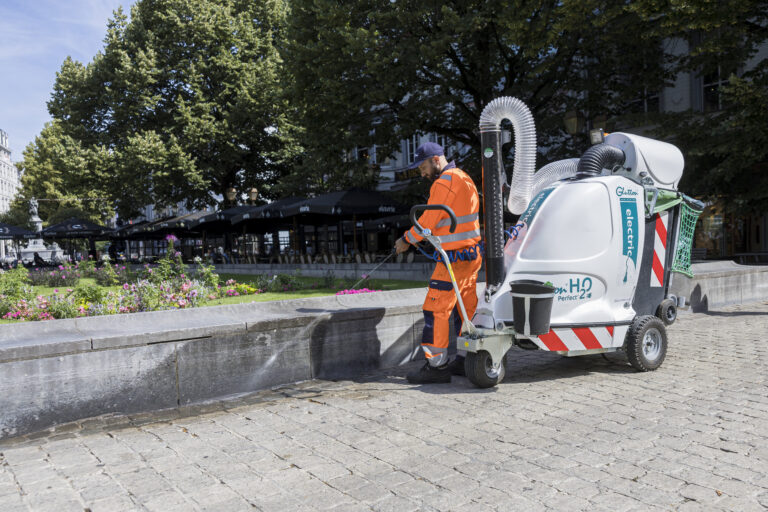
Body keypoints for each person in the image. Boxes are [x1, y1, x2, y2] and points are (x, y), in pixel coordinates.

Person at [395, 142, 482, 384]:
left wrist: (406, 240)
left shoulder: (444, 182)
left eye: (422, 167)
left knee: (436, 309)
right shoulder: (464, 177)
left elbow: (429, 220)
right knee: (465, 309)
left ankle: (437, 366)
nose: (422, 173)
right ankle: (466, 359)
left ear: (435, 160)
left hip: (453, 259)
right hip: (470, 255)